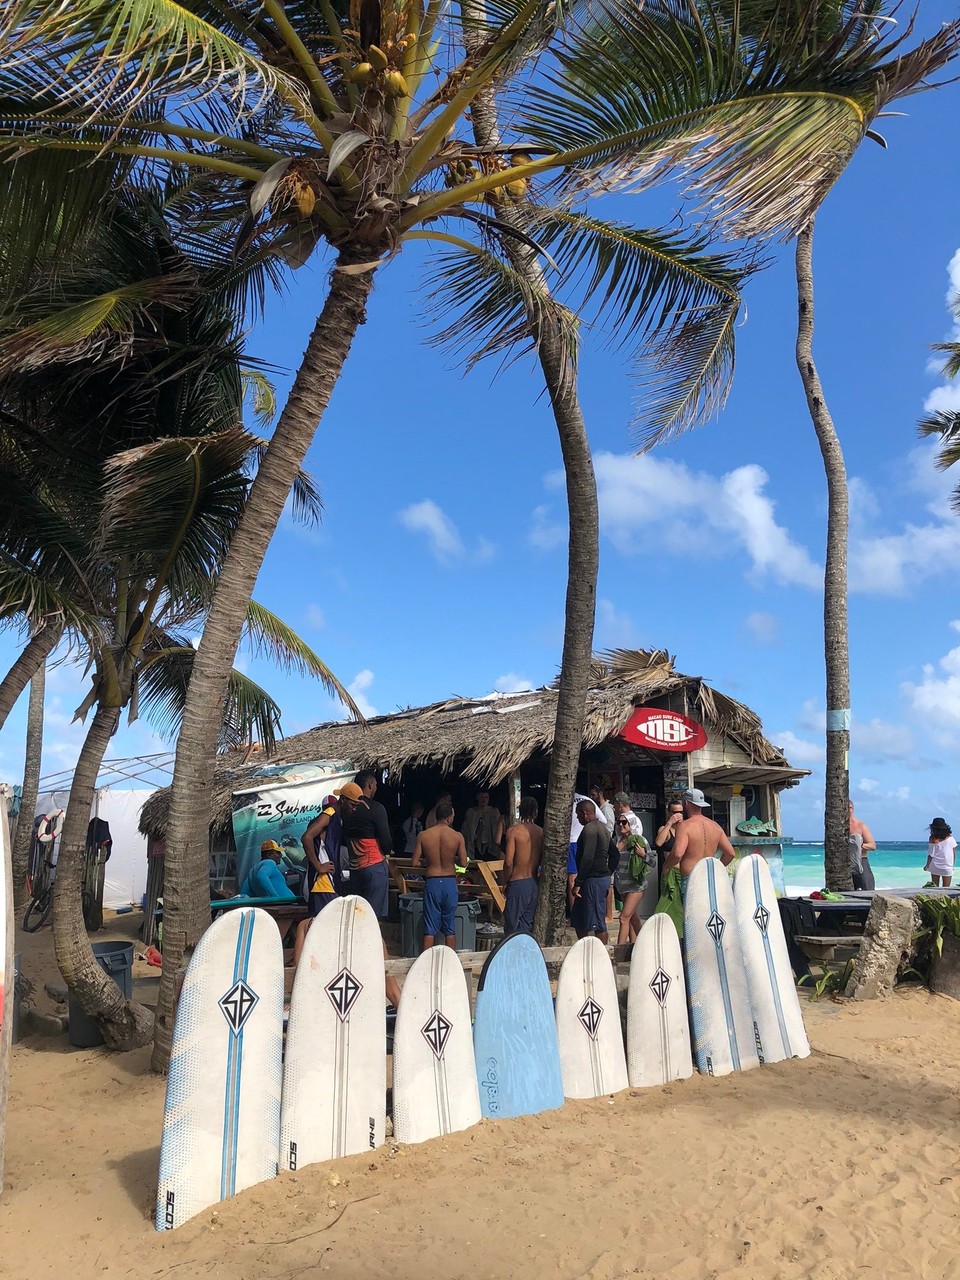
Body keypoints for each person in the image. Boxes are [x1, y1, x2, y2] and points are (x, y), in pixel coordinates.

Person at [336, 781, 402, 1008]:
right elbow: (386, 841)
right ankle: (386, 980)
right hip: (373, 867)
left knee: (359, 922)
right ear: (372, 785)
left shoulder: (342, 817)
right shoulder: (374, 809)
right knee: (373, 924)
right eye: (353, 804)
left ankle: (373, 973)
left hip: (356, 870)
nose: (355, 808)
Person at [412, 802, 466, 949]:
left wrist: (429, 861)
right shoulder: (457, 836)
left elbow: (415, 862)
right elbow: (463, 863)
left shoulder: (423, 835)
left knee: (429, 928)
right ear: (449, 819)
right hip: (449, 883)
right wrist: (451, 859)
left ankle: (425, 964)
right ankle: (451, 964)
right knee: (449, 927)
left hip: (432, 882)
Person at [663, 788, 735, 887]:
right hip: (709, 876)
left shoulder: (685, 826)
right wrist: (716, 868)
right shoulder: (715, 826)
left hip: (691, 878)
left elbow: (677, 854)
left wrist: (666, 867)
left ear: (686, 803)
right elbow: (730, 854)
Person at [612, 792, 653, 944]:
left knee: (623, 918)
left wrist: (643, 854)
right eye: (619, 823)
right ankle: (642, 945)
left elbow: (652, 862)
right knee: (633, 919)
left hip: (636, 885)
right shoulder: (616, 840)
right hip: (621, 884)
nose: (621, 825)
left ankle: (619, 951)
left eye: (624, 823)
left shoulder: (638, 841)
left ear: (630, 824)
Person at [571, 799, 612, 943]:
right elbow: (615, 854)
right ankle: (584, 948)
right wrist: (608, 873)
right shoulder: (603, 829)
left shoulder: (590, 829)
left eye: (578, 815)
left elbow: (587, 857)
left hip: (593, 880)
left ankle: (603, 955)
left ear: (585, 813)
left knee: (597, 923)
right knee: (579, 918)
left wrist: (578, 882)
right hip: (597, 878)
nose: (577, 818)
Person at [503, 796, 543, 935]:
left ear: (520, 811)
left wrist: (505, 881)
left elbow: (508, 862)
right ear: (535, 812)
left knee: (511, 926)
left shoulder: (513, 831)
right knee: (526, 926)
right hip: (533, 882)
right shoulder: (541, 832)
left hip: (518, 881)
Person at [355, 769, 393, 856]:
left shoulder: (348, 807)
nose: (376, 788)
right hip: (373, 862)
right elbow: (386, 841)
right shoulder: (376, 808)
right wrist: (388, 850)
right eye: (376, 785)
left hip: (353, 861)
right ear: (370, 785)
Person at [462, 790, 504, 861]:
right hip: (475, 846)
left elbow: (499, 827)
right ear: (477, 798)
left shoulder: (494, 811)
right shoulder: (471, 812)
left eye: (486, 797)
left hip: (490, 845)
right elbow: (466, 829)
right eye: (482, 797)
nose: (484, 800)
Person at [848, 801, 876, 891]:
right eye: (845, 808)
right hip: (845, 863)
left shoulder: (860, 825)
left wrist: (858, 845)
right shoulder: (839, 826)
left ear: (853, 809)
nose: (848, 810)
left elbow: (872, 845)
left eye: (850, 808)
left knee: (867, 887)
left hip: (861, 860)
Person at [925, 817, 956, 888]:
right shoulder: (951, 838)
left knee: (935, 888)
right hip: (947, 866)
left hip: (935, 866)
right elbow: (953, 853)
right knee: (946, 889)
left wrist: (927, 865)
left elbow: (931, 854)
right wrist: (952, 865)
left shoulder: (932, 838)